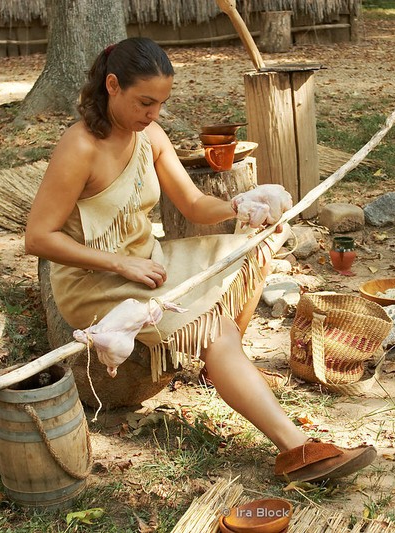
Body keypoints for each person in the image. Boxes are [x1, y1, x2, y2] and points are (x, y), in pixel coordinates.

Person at [25, 37, 375, 483]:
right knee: (219, 329)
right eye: (144, 102)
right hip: (95, 283)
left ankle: (223, 364)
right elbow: (37, 237)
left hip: (147, 263)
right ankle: (296, 449)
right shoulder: (80, 147)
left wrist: (238, 208)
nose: (153, 114)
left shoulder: (149, 135)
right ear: (112, 85)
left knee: (259, 244)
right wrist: (121, 265)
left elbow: (192, 203)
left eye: (161, 103)